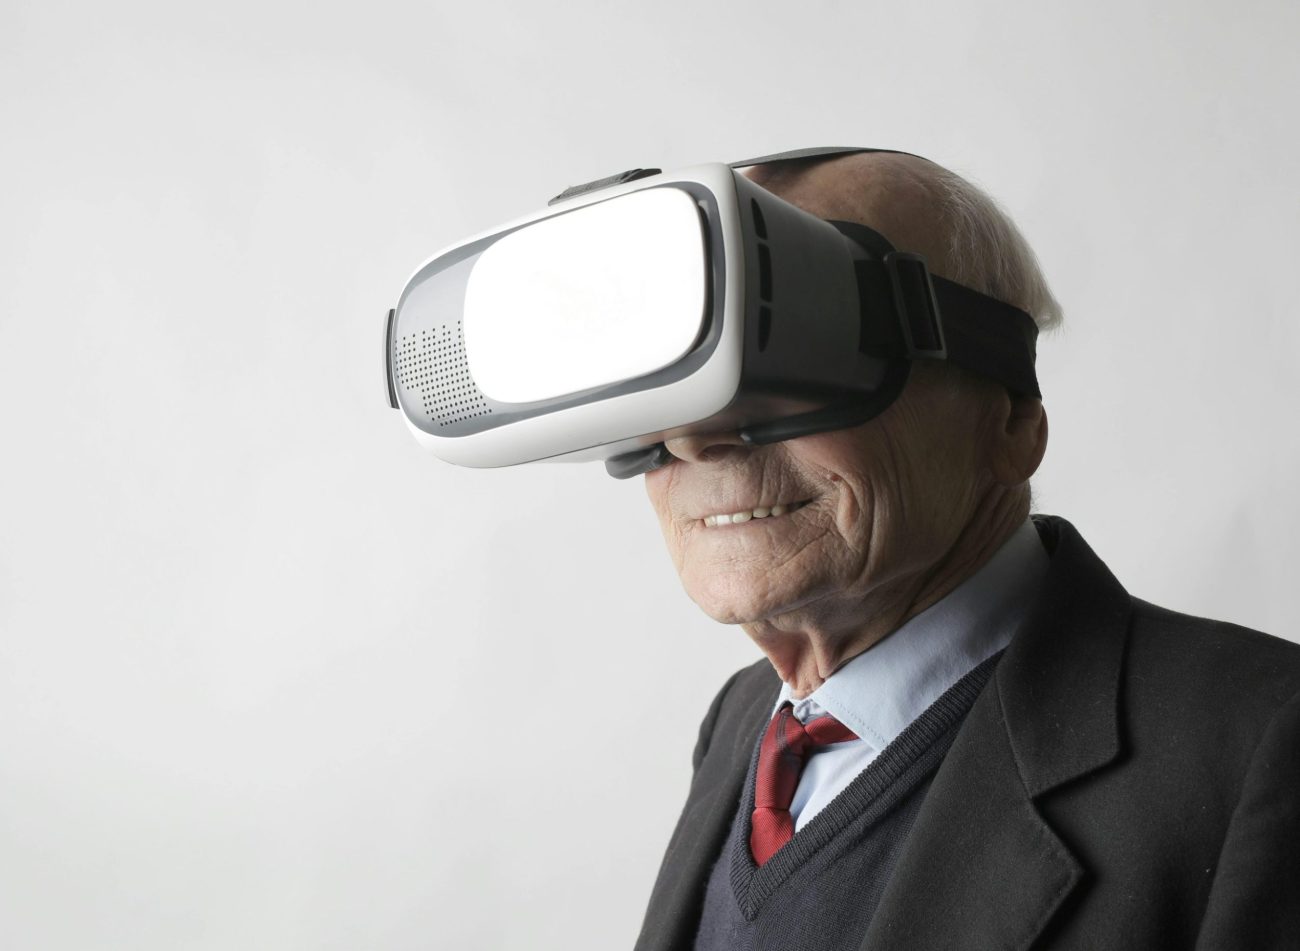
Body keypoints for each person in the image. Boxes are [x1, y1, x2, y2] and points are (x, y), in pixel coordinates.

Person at [633, 152, 1300, 950]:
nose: (696, 437)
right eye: (668, 378)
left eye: (801, 350)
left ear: (1013, 417)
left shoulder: (1262, 743)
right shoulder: (742, 721)